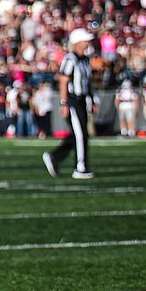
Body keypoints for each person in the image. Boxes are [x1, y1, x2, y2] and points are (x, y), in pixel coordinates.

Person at [44, 28, 95, 180]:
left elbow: (88, 82)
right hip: (72, 99)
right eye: (85, 40)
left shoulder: (85, 60)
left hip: (82, 99)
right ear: (78, 43)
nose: (87, 43)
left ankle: (55, 156)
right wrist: (64, 102)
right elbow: (64, 80)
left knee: (79, 134)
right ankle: (81, 167)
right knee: (81, 134)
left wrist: (92, 99)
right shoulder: (70, 59)